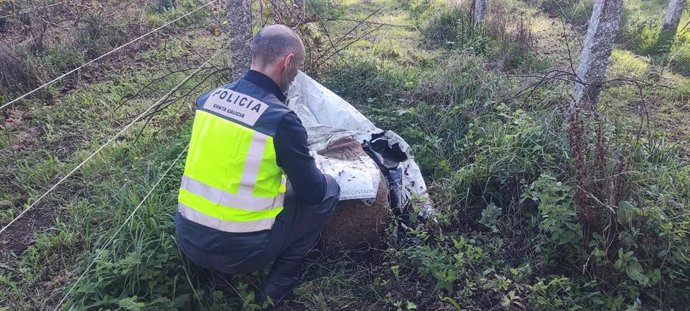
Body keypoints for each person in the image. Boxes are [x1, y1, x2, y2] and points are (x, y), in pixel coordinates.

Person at [175, 24, 340, 305]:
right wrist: (323, 175)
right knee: (329, 192)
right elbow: (312, 193)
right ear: (287, 62)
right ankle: (278, 285)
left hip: (188, 239)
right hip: (242, 253)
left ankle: (213, 275)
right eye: (297, 68)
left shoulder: (208, 100)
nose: (295, 76)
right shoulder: (281, 120)